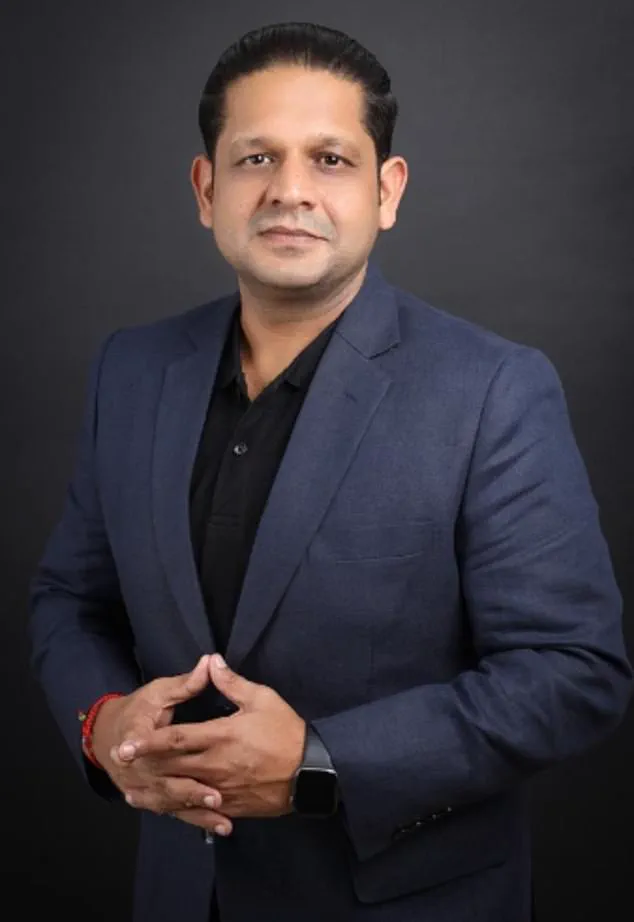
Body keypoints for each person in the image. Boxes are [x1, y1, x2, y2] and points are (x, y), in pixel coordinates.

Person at [29, 20, 631, 922]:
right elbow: (70, 600)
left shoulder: (492, 390)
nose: (290, 190)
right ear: (206, 189)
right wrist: (101, 722)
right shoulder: (131, 369)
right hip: (181, 894)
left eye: (331, 159)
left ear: (387, 191)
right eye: (256, 158)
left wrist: (321, 763)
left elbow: (572, 670)